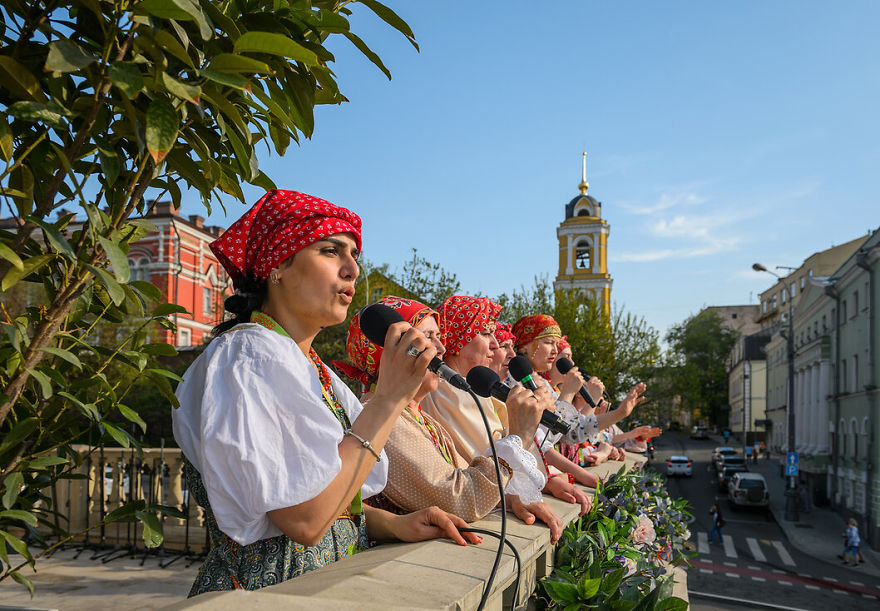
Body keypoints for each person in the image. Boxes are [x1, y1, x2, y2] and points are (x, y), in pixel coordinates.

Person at [172, 190, 478, 596]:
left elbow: (325, 494)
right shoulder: (248, 356)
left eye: (354, 255)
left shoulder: (313, 368)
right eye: (331, 251)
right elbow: (303, 519)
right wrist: (388, 399)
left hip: (320, 586)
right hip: (264, 597)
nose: (352, 269)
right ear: (278, 265)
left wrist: (392, 523)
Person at [333, 296, 546, 522]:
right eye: (427, 337)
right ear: (389, 353)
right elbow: (463, 500)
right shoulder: (384, 420)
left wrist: (509, 497)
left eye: (439, 337)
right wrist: (519, 437)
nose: (442, 348)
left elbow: (467, 480)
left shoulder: (419, 418)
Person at [420, 296, 570, 542]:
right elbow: (479, 468)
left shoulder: (470, 389)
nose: (494, 344)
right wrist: (513, 497)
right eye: (484, 332)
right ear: (459, 337)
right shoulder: (445, 393)